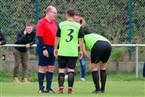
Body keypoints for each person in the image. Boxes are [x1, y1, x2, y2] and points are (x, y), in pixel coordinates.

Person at [54, 8, 84, 94]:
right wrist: (81, 51)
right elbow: (81, 40)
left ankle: (60, 89)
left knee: (61, 71)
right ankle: (70, 90)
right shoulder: (78, 26)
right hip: (73, 52)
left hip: (62, 51)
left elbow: (57, 38)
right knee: (71, 70)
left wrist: (55, 48)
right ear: (74, 16)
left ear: (66, 15)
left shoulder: (61, 24)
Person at [36, 6, 57, 93]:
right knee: (43, 67)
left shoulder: (55, 23)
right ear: (48, 12)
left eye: (56, 13)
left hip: (53, 48)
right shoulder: (41, 23)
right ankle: (41, 88)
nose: (55, 15)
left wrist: (56, 48)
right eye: (54, 13)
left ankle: (49, 88)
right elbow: (40, 37)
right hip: (44, 47)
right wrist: (44, 49)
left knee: (51, 67)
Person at [74, 11, 88, 81]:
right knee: (70, 62)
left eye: (77, 19)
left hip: (81, 47)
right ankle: (67, 74)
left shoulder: (84, 28)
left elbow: (88, 35)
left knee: (82, 62)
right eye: (74, 19)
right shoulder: (71, 26)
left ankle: (83, 76)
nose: (76, 20)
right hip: (73, 47)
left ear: (80, 19)